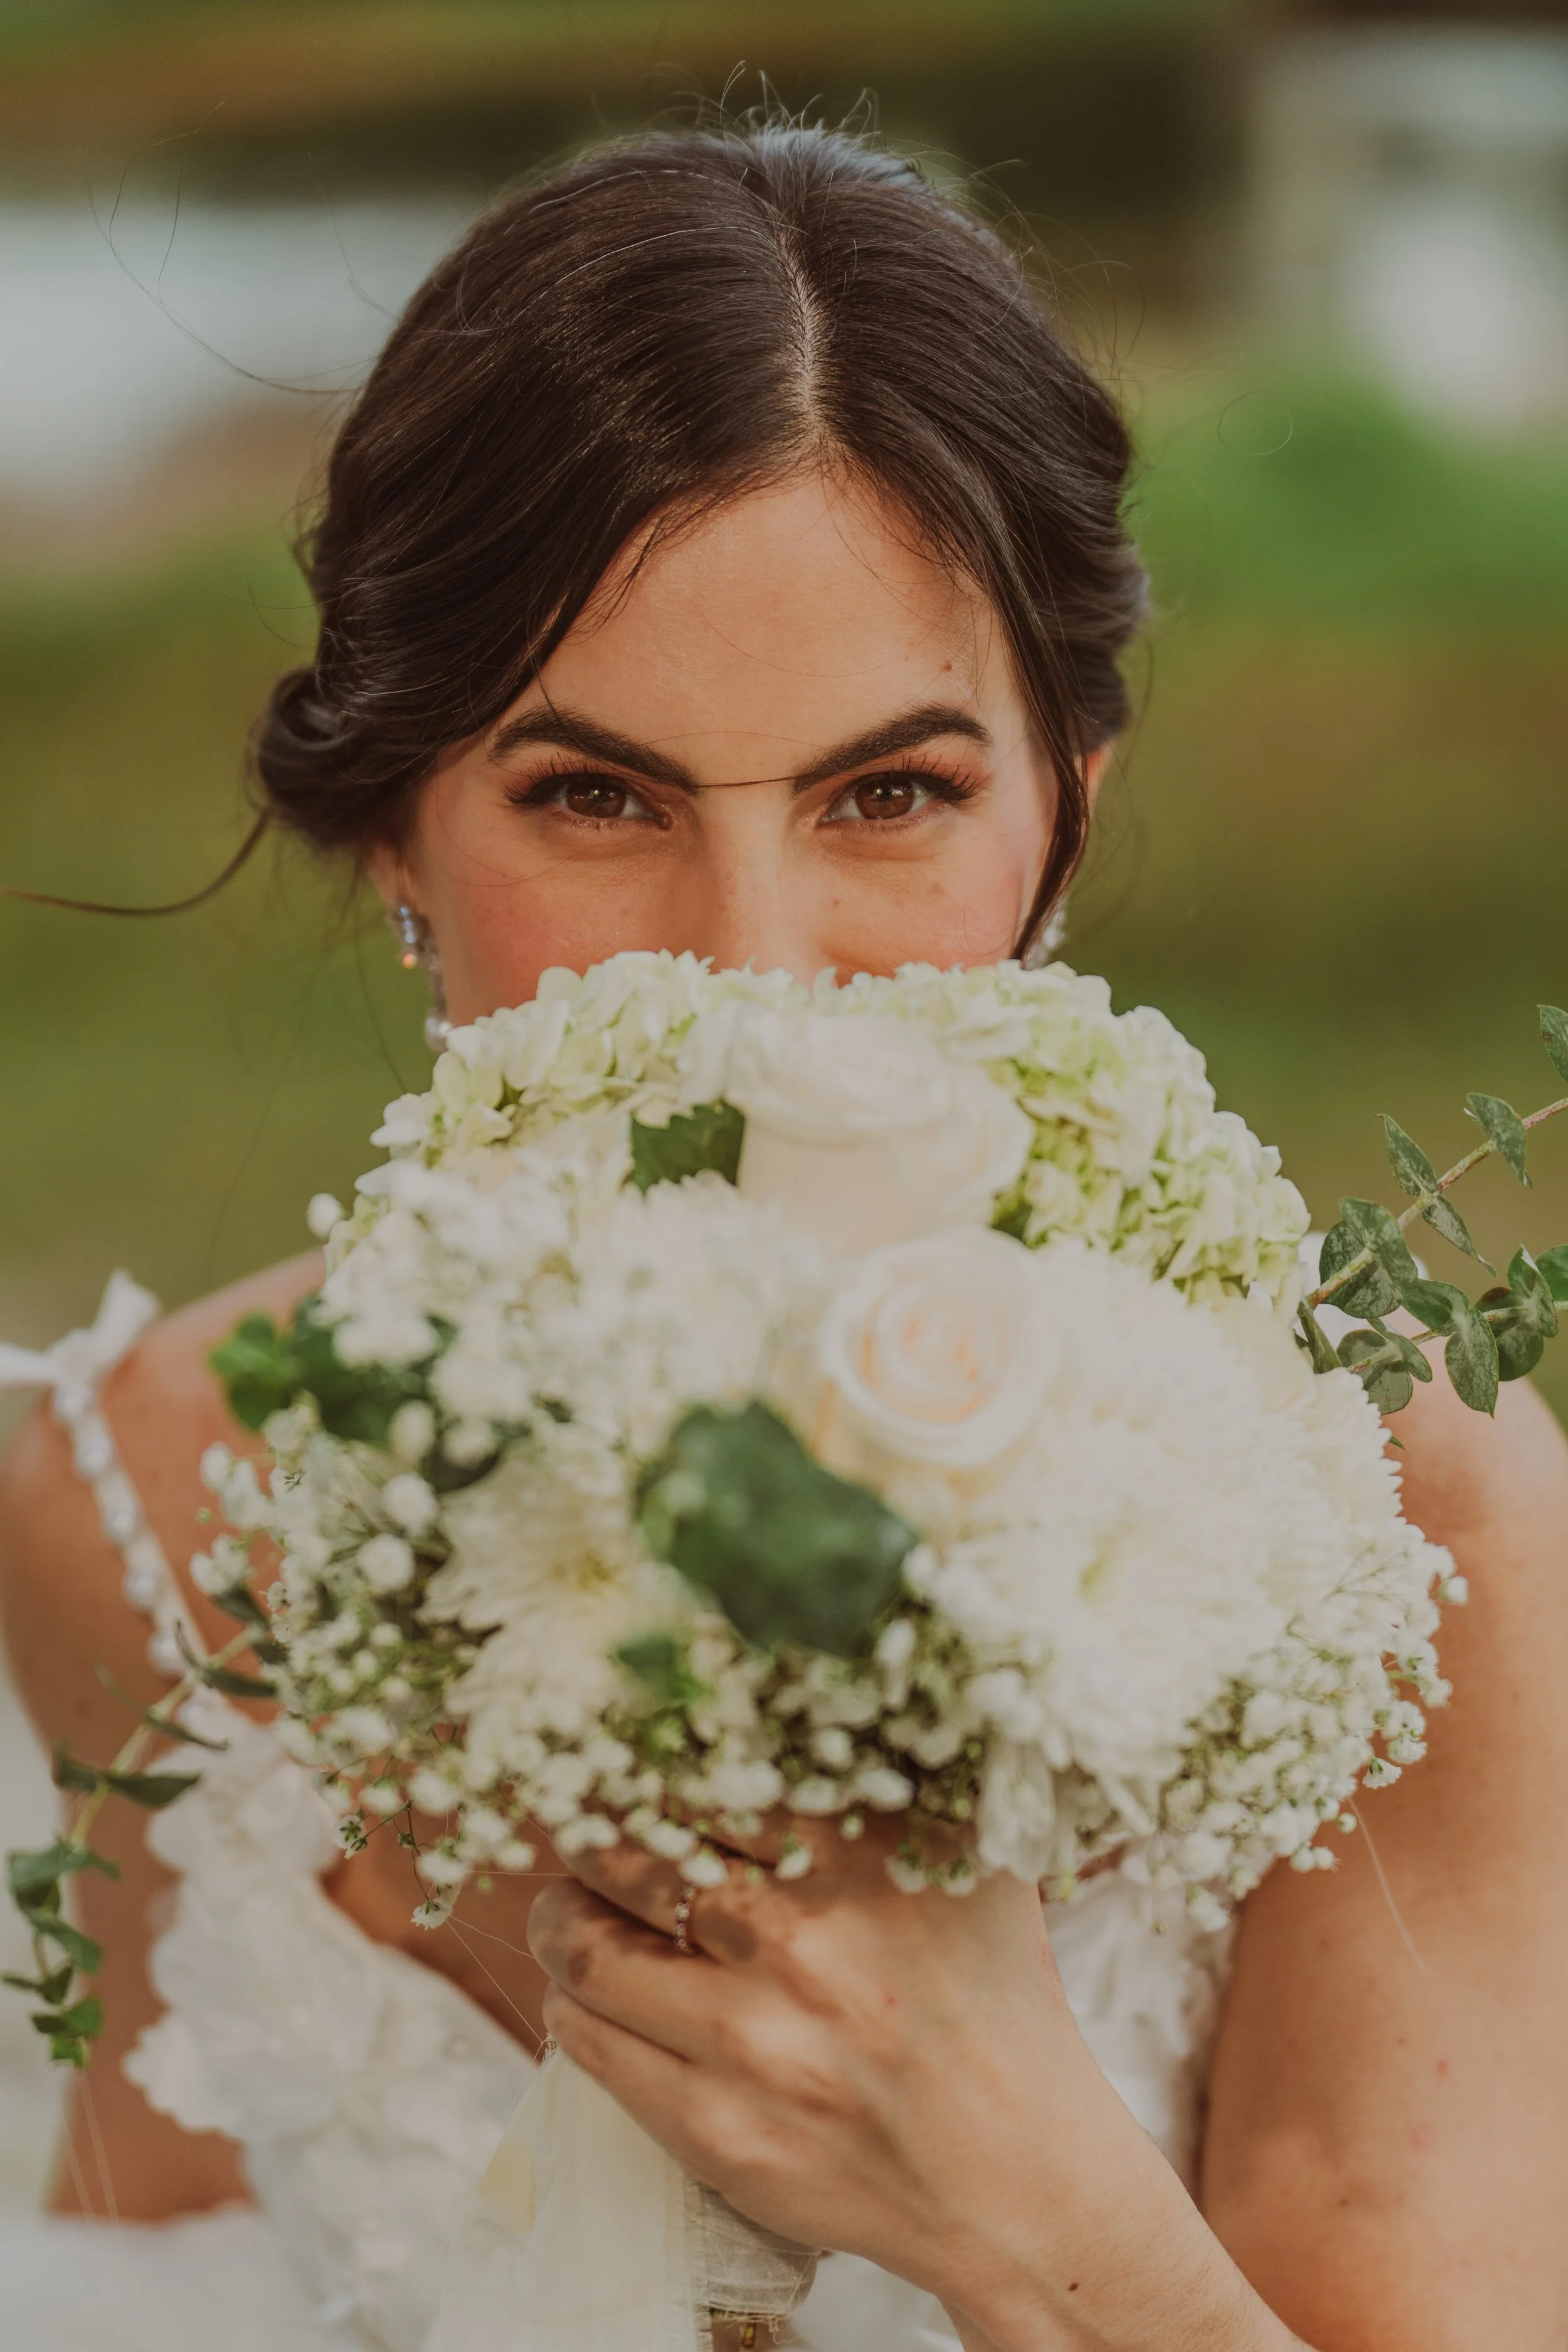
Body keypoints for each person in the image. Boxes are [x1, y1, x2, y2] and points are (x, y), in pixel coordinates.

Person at [3, 120, 1568, 2352]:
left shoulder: (1413, 1538)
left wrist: (1020, 2199)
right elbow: (150, 2266)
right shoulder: (128, 1500)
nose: (751, 979)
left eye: (890, 795)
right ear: (393, 843)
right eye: (596, 797)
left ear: (1064, 814)